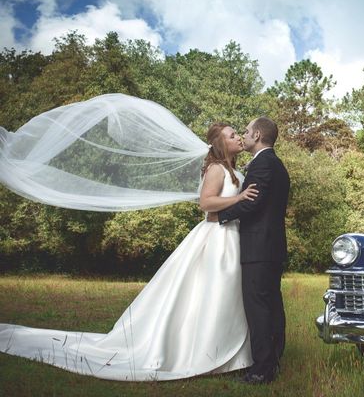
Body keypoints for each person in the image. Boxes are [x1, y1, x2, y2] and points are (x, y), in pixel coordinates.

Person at [0, 122, 259, 381]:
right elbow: (206, 203)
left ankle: (227, 352)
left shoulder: (231, 169)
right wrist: (239, 197)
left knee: (223, 295)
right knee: (212, 294)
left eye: (238, 134)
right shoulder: (217, 169)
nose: (237, 138)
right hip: (216, 238)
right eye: (232, 135)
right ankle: (207, 353)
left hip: (230, 236)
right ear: (220, 144)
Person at [211, 117, 290, 385]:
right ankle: (273, 360)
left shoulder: (264, 164)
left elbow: (252, 204)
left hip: (259, 248)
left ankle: (262, 369)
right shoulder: (274, 164)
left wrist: (220, 216)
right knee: (271, 305)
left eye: (245, 131)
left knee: (259, 308)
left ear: (257, 135)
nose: (243, 136)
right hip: (270, 247)